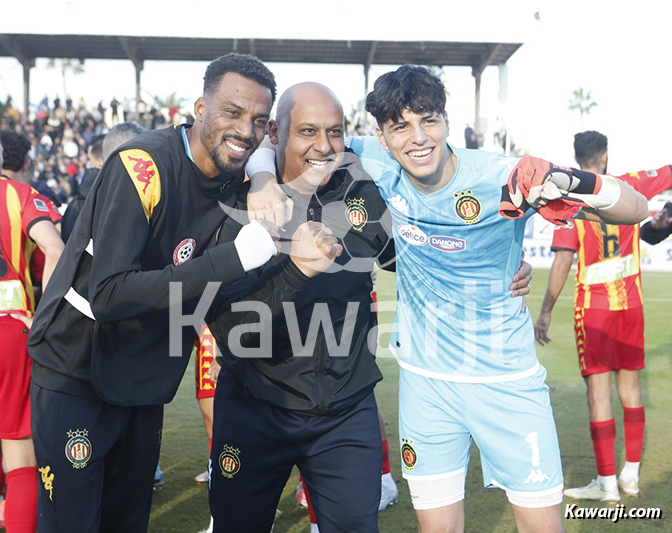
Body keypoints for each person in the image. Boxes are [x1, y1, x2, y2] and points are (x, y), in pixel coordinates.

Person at [246, 67, 648, 533]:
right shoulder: (370, 158)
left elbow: (635, 209)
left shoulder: (504, 177)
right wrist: (259, 178)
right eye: (401, 126)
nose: (418, 139)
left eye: (429, 121)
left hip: (507, 383)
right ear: (381, 134)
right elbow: (274, 138)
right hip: (426, 385)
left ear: (446, 122)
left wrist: (574, 182)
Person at [25, 53, 331, 533]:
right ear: (199, 108)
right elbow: (107, 294)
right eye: (231, 112)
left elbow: (225, 305)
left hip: (145, 377)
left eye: (257, 120)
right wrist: (229, 259)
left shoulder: (238, 185)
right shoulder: (141, 167)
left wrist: (297, 267)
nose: (245, 130)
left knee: (128, 521)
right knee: (71, 523)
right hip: (76, 368)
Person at [534, 131, 672, 501]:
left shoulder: (570, 203)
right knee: (630, 389)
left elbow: (563, 259)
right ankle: (631, 476)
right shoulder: (631, 185)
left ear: (578, 158)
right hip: (632, 307)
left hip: (593, 311)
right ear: (605, 157)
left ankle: (607, 485)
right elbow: (669, 172)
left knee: (599, 396)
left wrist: (545, 311)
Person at [0, 135, 64, 533]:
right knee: (22, 459)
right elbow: (55, 249)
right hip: (10, 327)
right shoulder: (19, 194)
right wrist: (45, 319)